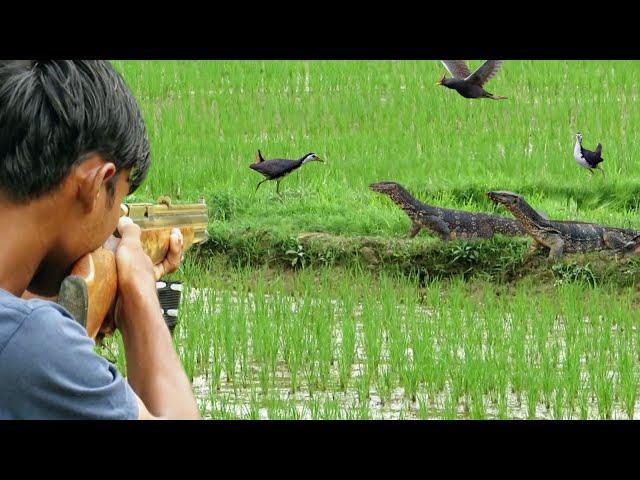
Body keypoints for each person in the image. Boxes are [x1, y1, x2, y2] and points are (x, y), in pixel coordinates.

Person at [0, 60, 200, 419]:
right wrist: (139, 296)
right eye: (121, 203)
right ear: (95, 183)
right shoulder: (30, 339)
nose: (117, 219)